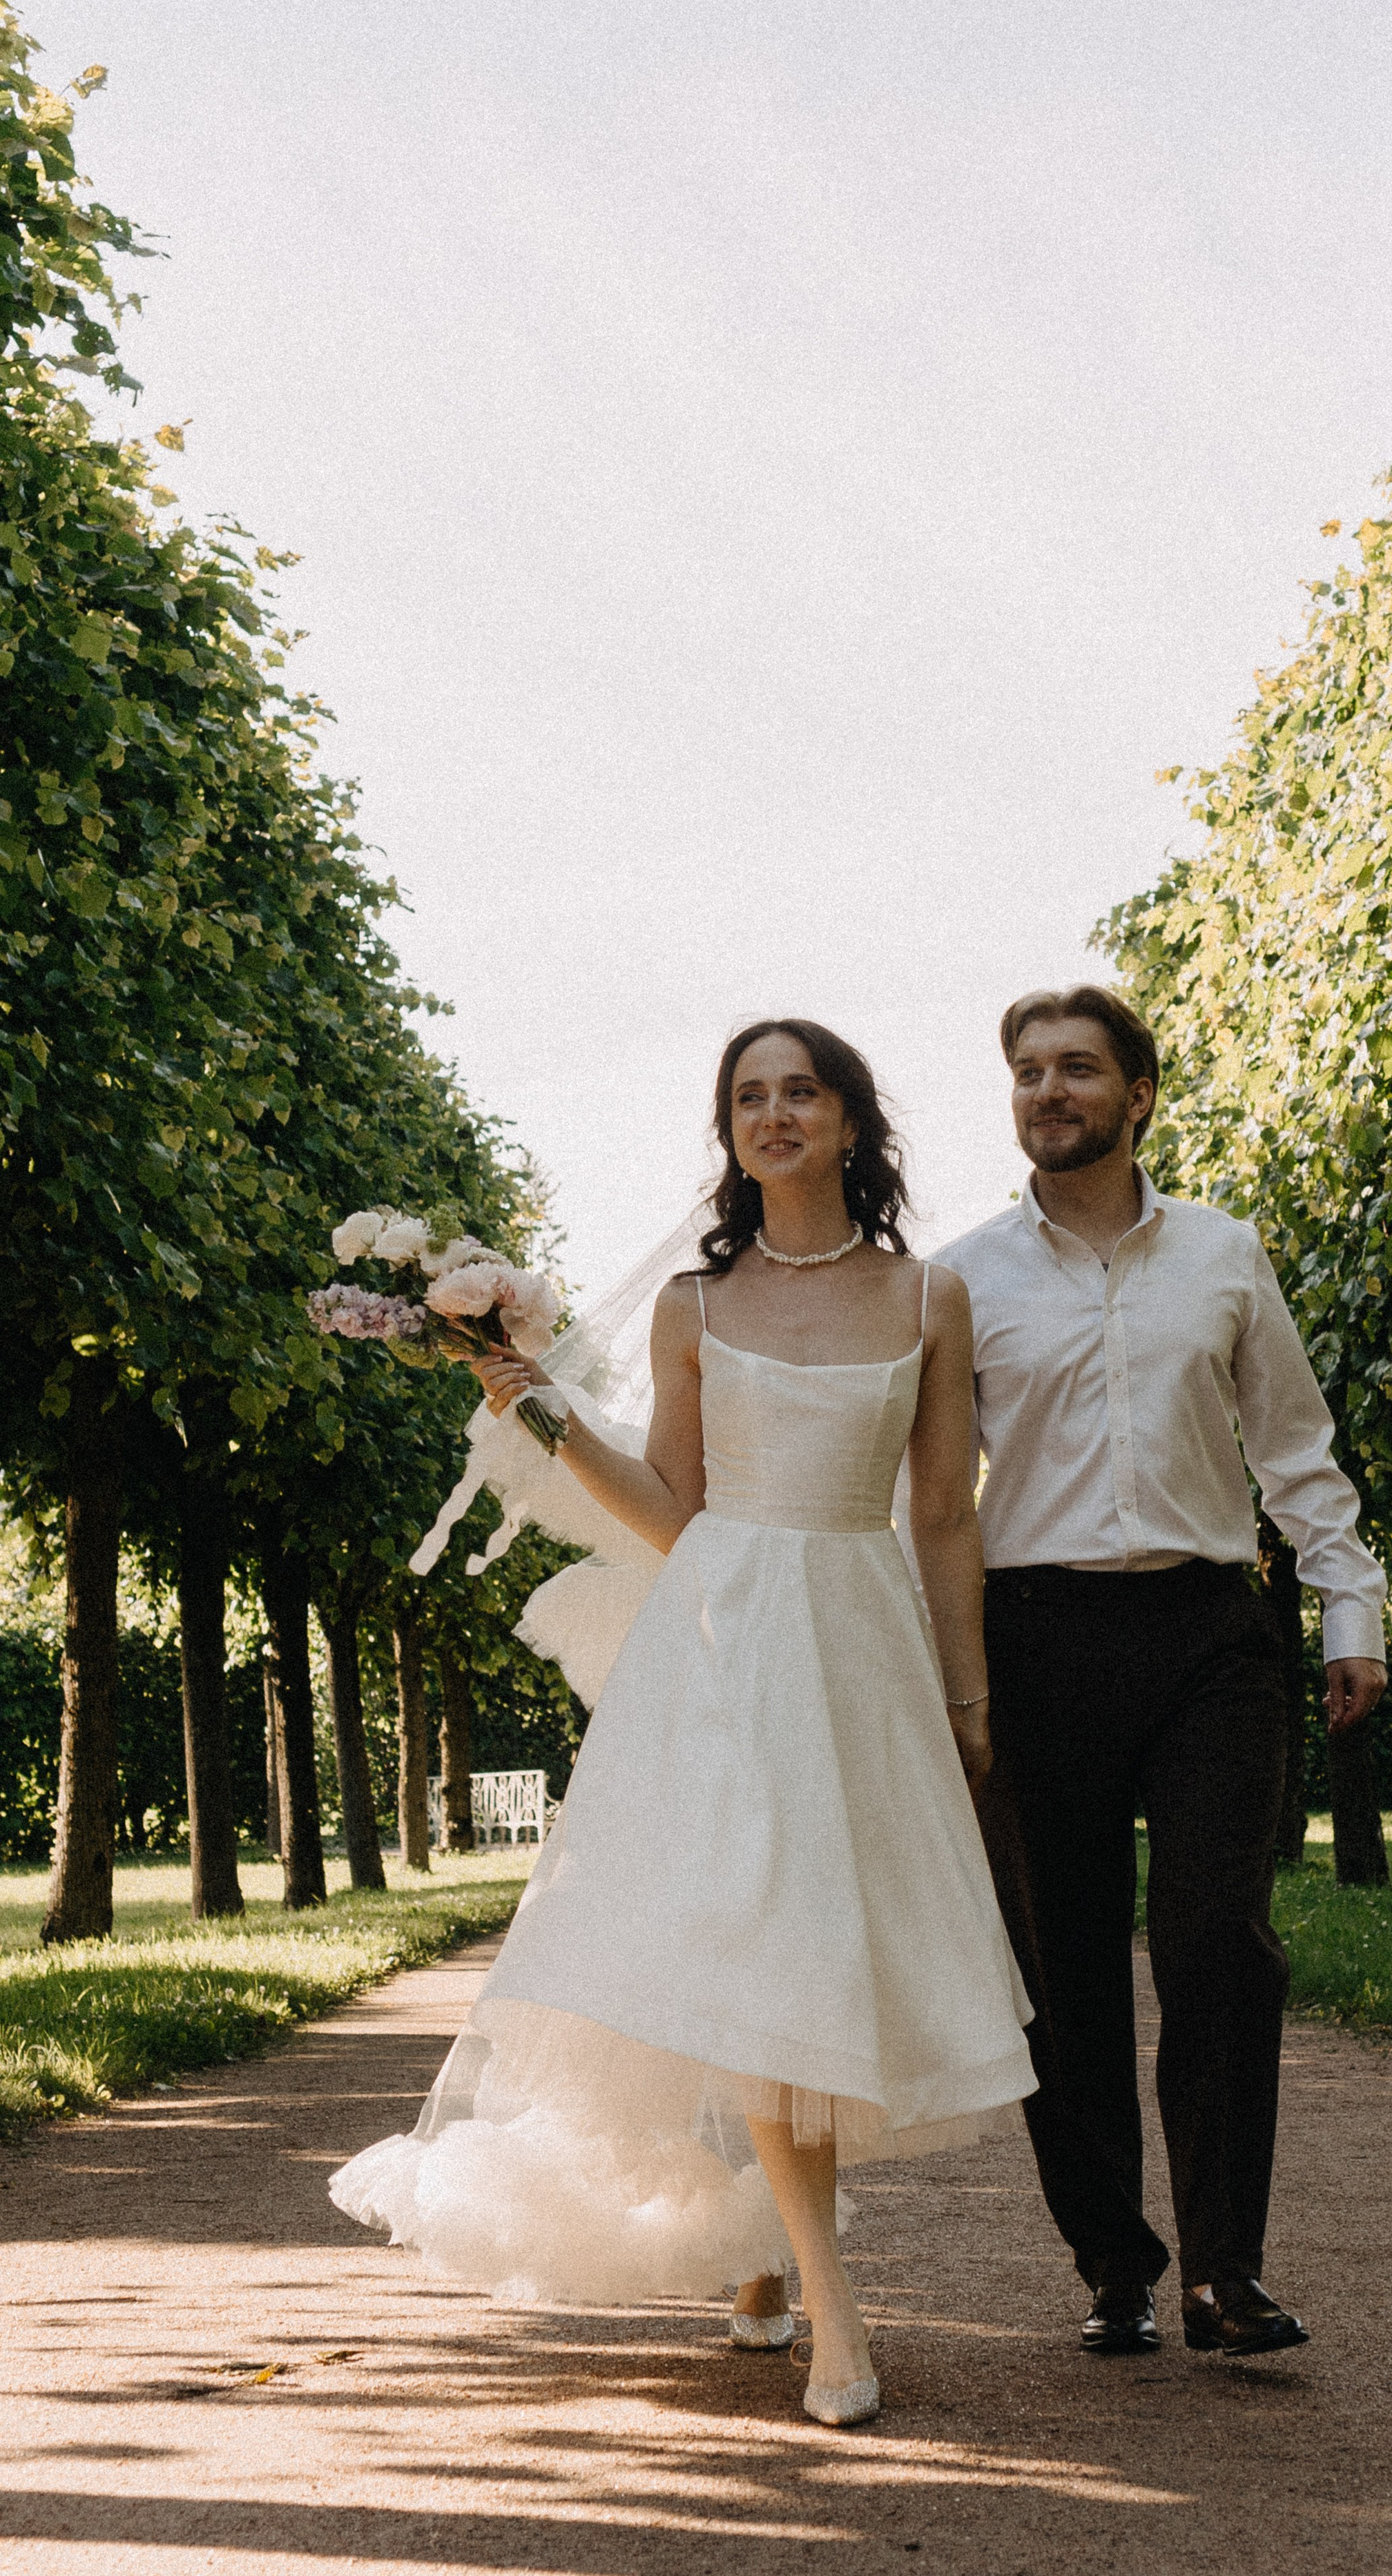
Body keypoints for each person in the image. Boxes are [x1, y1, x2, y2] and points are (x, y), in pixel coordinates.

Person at [331, 1020, 1034, 2428]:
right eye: (749, 1097)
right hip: (722, 1649)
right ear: (732, 1133)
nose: (775, 1115)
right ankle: (834, 2309)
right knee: (763, 1951)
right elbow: (671, 1509)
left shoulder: (931, 1297)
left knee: (821, 1956)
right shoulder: (694, 1307)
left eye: (801, 1092)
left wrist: (967, 1700)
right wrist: (535, 1409)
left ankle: (764, 2251)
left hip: (858, 1649)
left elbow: (946, 1516)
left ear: (849, 1121)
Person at [937, 985, 1388, 2360]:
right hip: (1034, 1641)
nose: (1048, 1091)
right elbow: (932, 1498)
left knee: (1217, 1946)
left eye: (1077, 1068)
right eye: (1027, 1072)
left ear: (1137, 1096)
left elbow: (1293, 1446)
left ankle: (1222, 2272)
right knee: (1061, 1969)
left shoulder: (1222, 1254)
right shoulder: (960, 1279)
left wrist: (1349, 1610)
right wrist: (937, 1666)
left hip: (1208, 1636)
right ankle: (1113, 2265)